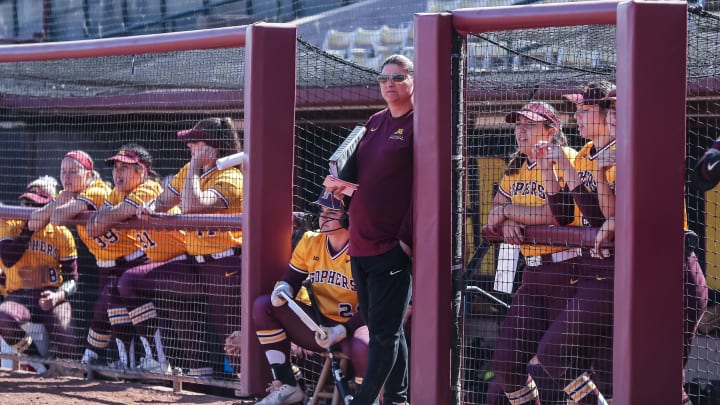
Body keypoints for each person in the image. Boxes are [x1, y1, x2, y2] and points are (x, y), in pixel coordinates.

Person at [326, 54, 413, 405]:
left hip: (392, 246)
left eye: (397, 77)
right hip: (360, 242)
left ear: (414, 80)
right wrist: (341, 188)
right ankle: (397, 400)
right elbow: (364, 182)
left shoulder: (422, 121)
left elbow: (424, 188)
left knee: (384, 334)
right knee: (385, 331)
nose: (389, 83)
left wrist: (406, 242)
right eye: (383, 78)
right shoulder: (374, 122)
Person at [231, 188, 368, 405]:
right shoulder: (310, 240)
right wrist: (284, 287)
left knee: (366, 343)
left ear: (351, 216)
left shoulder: (364, 249)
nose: (323, 218)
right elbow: (292, 278)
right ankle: (288, 385)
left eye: (331, 212)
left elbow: (375, 308)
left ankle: (366, 400)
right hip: (318, 327)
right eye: (322, 210)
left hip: (353, 329)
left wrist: (343, 330)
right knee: (263, 306)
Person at [486, 101, 583, 405]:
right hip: (533, 272)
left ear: (551, 130)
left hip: (569, 271)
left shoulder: (564, 158)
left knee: (570, 367)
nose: (521, 131)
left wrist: (510, 212)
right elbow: (491, 218)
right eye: (518, 125)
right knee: (505, 365)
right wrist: (507, 217)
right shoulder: (515, 167)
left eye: (529, 125)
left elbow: (555, 215)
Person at [151, 117, 243, 376]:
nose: (190, 147)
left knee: (231, 334)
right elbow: (162, 203)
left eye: (196, 142)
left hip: (227, 265)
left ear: (213, 148)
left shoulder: (232, 176)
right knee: (151, 284)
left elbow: (193, 205)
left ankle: (249, 386)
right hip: (196, 263)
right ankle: (198, 369)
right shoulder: (190, 172)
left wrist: (193, 165)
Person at [0, 176, 78, 370]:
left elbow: (73, 280)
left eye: (36, 205)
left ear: (50, 208)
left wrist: (59, 295)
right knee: (3, 318)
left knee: (67, 336)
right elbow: (9, 258)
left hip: (50, 296)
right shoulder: (11, 224)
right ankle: (35, 360)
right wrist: (28, 229)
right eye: (26, 202)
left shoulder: (61, 232)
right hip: (18, 295)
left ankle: (66, 371)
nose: (29, 208)